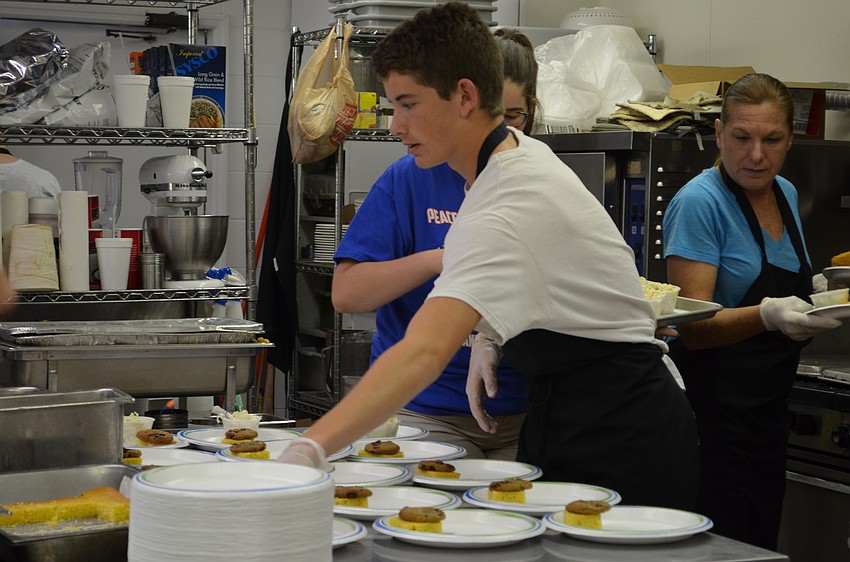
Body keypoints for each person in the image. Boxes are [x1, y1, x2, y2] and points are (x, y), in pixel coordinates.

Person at [280, 2, 698, 512]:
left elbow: (422, 353)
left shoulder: (504, 200)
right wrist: (493, 334)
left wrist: (310, 447)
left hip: (620, 429)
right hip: (572, 411)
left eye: (408, 105)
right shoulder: (517, 154)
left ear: (464, 96)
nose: (395, 127)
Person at [331, 28, 539, 460]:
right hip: (428, 411)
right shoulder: (409, 178)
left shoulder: (538, 178)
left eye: (512, 116)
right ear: (461, 101)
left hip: (529, 411)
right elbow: (347, 293)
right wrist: (442, 260)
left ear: (531, 112)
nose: (494, 131)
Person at [663, 73, 841, 550]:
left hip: (765, 414)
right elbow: (692, 331)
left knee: (757, 546)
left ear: (791, 139)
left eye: (772, 139)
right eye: (741, 138)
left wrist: (819, 294)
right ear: (719, 134)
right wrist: (768, 315)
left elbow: (785, 280)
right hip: (710, 422)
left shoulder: (782, 191)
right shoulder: (700, 203)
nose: (756, 154)